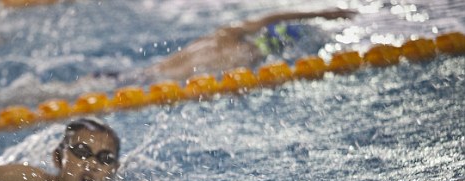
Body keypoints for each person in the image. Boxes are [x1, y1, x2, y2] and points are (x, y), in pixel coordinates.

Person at [139, 8, 357, 82]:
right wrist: (322, 14)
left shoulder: (225, 34)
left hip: (145, 74)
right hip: (149, 81)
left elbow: (271, 18)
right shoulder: (246, 57)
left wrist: (323, 14)